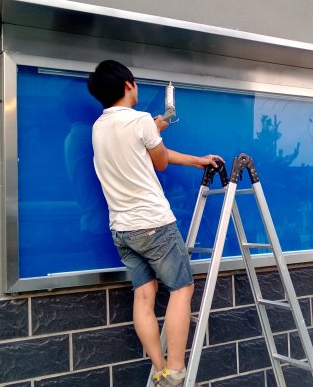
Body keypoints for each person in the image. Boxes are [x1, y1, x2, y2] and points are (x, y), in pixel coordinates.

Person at [88, 60, 222, 387]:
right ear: (127, 85)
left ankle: (160, 368)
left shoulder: (99, 127)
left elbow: (140, 151)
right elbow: (159, 162)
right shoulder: (140, 120)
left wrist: (197, 160)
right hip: (153, 224)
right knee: (182, 288)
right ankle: (176, 369)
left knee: (145, 295)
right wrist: (153, 126)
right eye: (134, 82)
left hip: (122, 229)